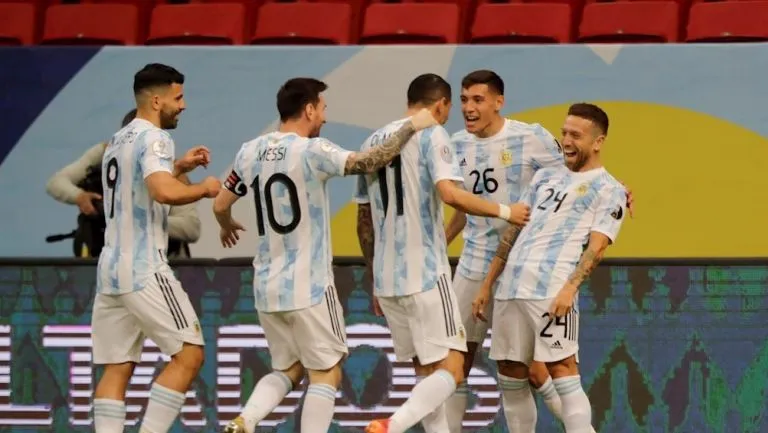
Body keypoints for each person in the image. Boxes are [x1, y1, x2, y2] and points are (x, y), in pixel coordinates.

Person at [211, 77, 439, 433]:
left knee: (287, 369)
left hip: (267, 286)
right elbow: (368, 162)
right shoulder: (312, 151)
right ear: (308, 109)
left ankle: (246, 419)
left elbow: (221, 203)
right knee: (326, 372)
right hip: (309, 285)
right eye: (323, 108)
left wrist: (226, 225)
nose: (325, 117)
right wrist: (412, 125)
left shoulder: (249, 151)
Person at [444, 70, 634, 432]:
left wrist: (569, 287)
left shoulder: (534, 141)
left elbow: (596, 235)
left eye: (477, 99)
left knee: (556, 369)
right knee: (498, 370)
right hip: (495, 273)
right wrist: (483, 280)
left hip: (548, 286)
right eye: (464, 99)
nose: (565, 140)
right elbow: (493, 218)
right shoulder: (541, 177)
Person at [354, 73, 530, 433]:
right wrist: (505, 211)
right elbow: (450, 194)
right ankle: (394, 425)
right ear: (441, 105)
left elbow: (363, 221)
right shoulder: (433, 133)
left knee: (427, 375)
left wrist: (372, 275)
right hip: (425, 274)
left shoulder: (373, 140)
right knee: (452, 369)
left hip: (387, 282)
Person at [90, 63, 221, 433]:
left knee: (116, 369)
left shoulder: (117, 141)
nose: (183, 105)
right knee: (190, 353)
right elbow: (163, 193)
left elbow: (139, 185)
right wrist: (205, 188)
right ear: (156, 99)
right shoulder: (156, 138)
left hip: (111, 270)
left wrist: (178, 167)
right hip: (144, 267)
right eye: (178, 97)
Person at [45, 109, 201, 258]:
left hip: (164, 263)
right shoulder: (104, 154)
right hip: (105, 259)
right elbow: (56, 183)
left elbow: (191, 228)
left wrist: (138, 218)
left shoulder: (172, 171)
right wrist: (79, 196)